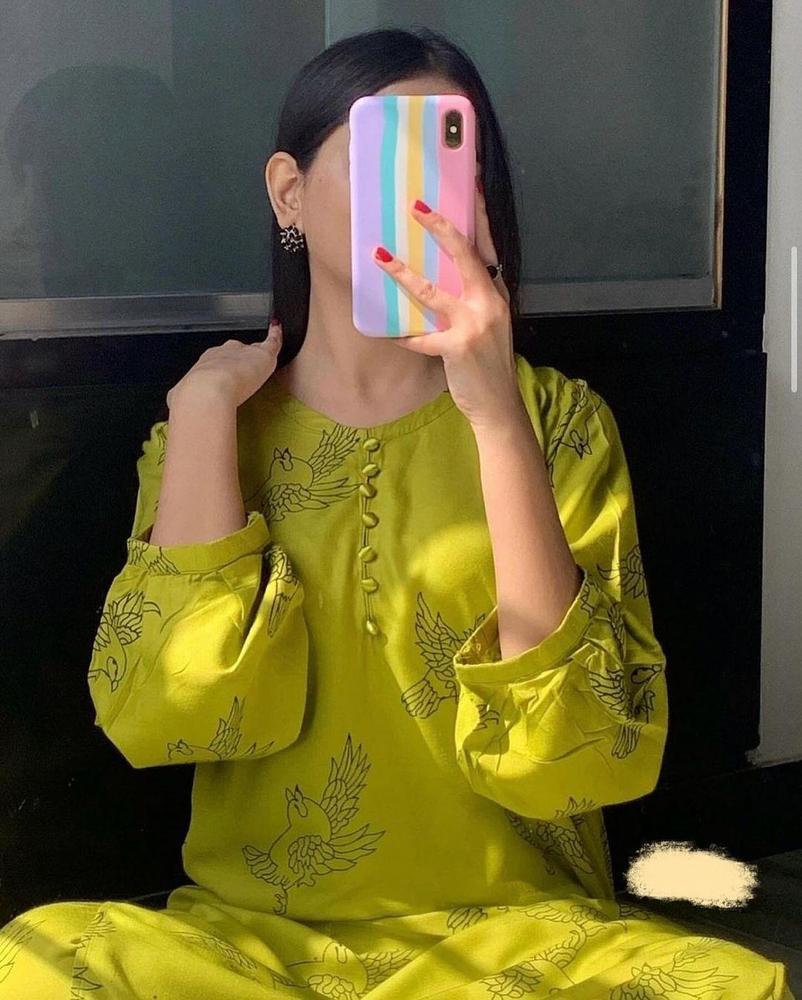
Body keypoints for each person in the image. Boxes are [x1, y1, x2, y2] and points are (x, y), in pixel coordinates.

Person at [1, 26, 793, 1000]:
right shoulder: (211, 431)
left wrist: (494, 413)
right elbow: (170, 718)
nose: (420, 202)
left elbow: (581, 756)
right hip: (256, 947)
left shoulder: (557, 421)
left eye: (446, 164)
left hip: (521, 942)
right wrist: (203, 416)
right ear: (288, 192)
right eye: (387, 160)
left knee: (725, 986)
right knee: (37, 965)